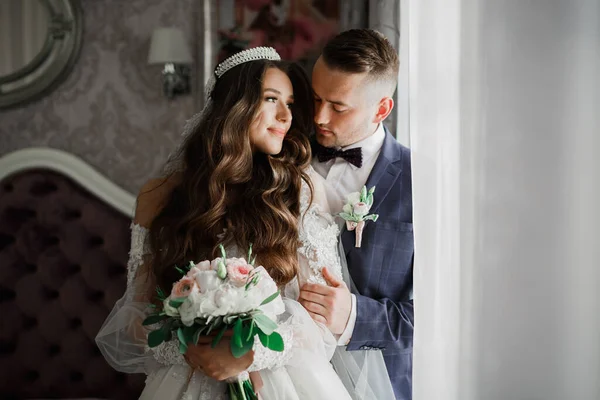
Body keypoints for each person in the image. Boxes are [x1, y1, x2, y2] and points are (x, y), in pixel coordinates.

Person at [95, 47, 355, 399]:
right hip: (186, 379)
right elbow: (135, 317)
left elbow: (323, 323)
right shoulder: (159, 196)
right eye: (271, 99)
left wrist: (249, 354)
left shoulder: (301, 190)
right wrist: (192, 346)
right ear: (236, 106)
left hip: (283, 382)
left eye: (290, 104)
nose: (285, 116)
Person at [298, 29, 414, 400]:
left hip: (379, 388)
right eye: (315, 98)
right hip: (288, 378)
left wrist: (355, 317)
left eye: (338, 106)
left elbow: (446, 317)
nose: (318, 116)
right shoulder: (283, 155)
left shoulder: (424, 183)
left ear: (381, 109)